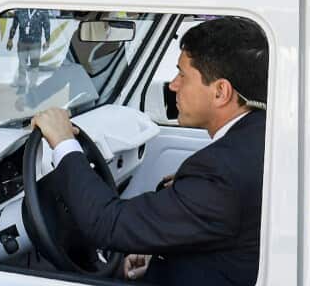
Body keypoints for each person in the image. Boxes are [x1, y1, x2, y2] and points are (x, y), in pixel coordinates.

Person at [31, 16, 267, 286]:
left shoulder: (219, 172)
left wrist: (63, 142)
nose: (173, 85)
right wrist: (160, 254)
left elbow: (107, 224)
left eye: (182, 75)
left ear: (220, 92)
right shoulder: (258, 137)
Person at [7, 7, 51, 94]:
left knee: (34, 65)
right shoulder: (20, 10)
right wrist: (10, 39)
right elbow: (14, 25)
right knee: (22, 64)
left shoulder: (42, 10)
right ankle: (22, 85)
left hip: (35, 42)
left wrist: (47, 40)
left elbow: (47, 25)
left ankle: (33, 85)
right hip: (22, 42)